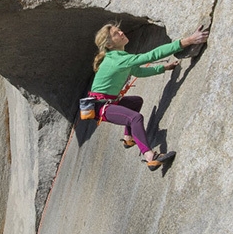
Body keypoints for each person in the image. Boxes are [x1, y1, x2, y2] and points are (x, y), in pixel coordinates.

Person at [89, 23, 209, 170]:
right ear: (109, 44)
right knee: (135, 118)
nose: (121, 33)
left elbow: (138, 72)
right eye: (116, 33)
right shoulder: (117, 60)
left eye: (120, 30)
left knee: (136, 102)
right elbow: (151, 55)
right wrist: (189, 41)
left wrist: (162, 68)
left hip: (108, 102)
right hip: (100, 107)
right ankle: (150, 157)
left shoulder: (118, 57)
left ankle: (129, 138)